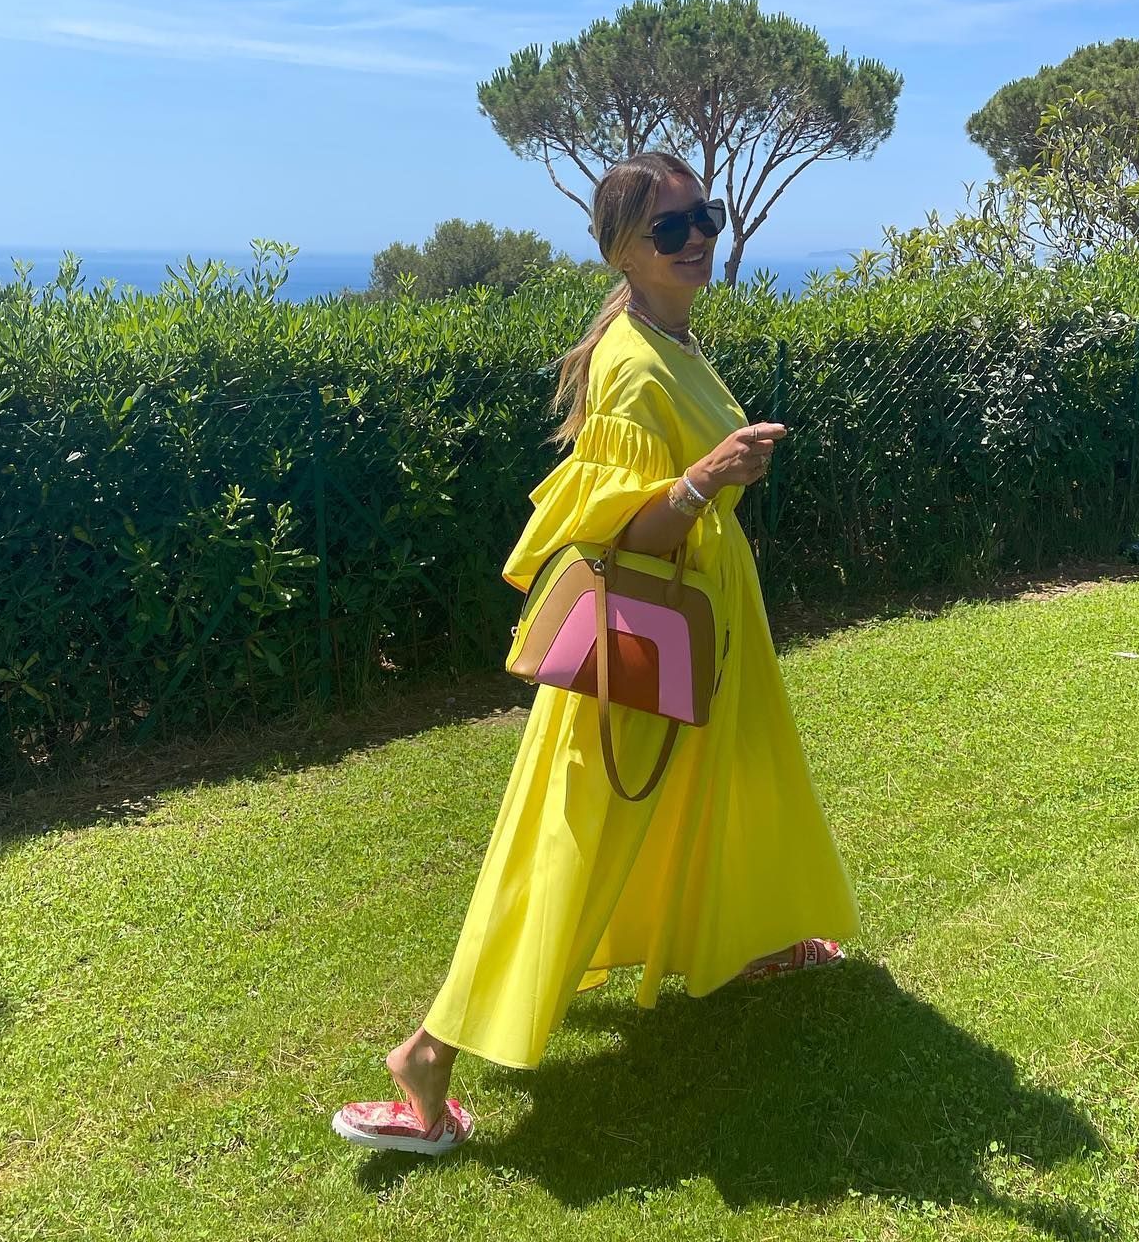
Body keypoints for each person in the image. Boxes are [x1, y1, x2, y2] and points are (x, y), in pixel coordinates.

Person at [332, 151, 860, 1157]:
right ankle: (427, 1056)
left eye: (704, 217)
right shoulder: (633, 364)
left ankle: (751, 936)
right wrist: (709, 475)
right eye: (671, 228)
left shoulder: (671, 336)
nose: (697, 238)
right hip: (650, 635)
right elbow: (623, 535)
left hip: (704, 623)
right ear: (623, 248)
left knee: (737, 775)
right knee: (573, 832)